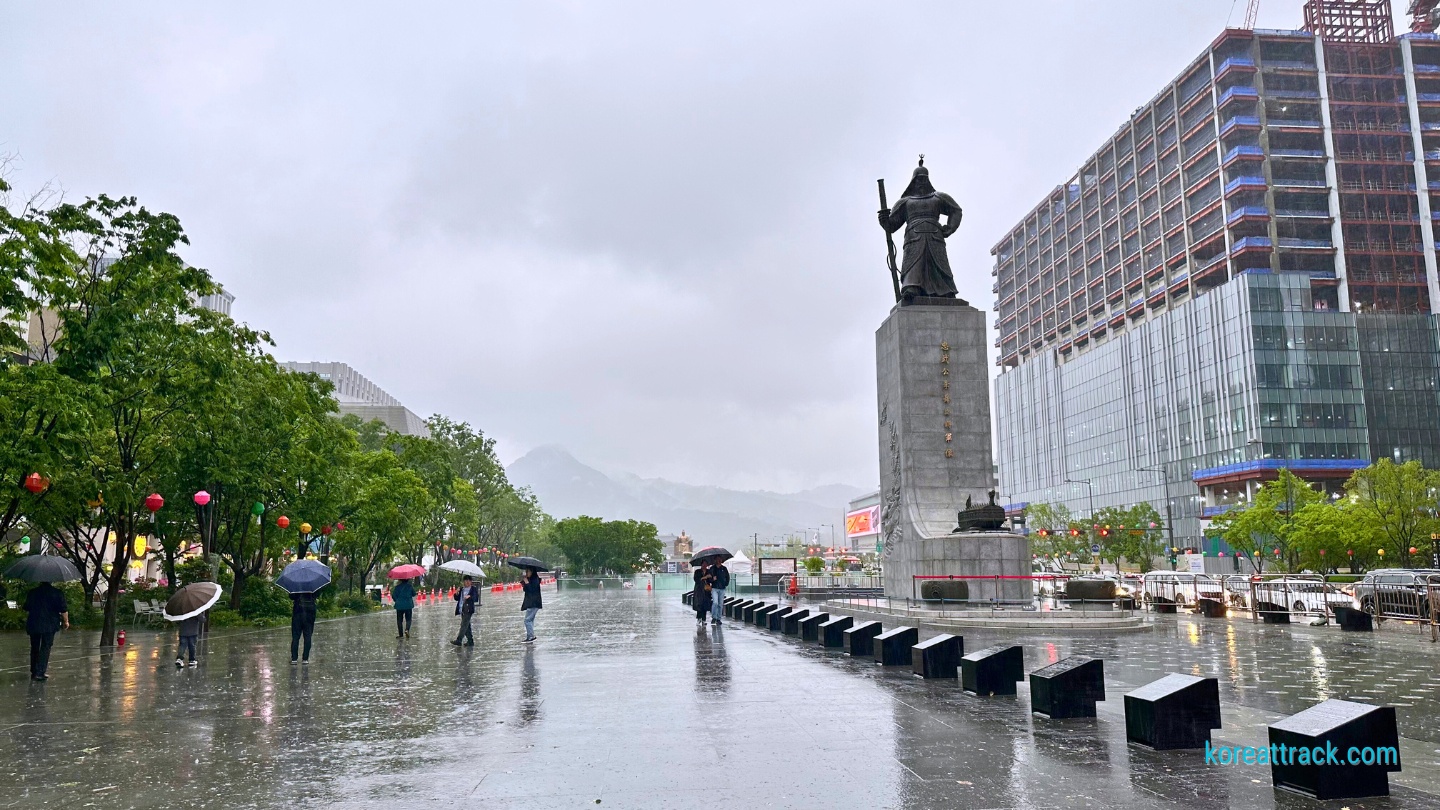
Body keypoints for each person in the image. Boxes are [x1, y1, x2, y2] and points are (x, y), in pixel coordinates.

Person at [24, 581, 69, 681]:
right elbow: (63, 609)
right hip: (50, 624)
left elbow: (26, 607)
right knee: (46, 647)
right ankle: (40, 672)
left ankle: (34, 671)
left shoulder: (32, 592)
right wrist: (66, 621)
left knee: (34, 647)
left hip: (34, 623)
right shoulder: (57, 593)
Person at [290, 591, 317, 664]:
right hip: (310, 613)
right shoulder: (313, 585)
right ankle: (305, 658)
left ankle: (294, 659)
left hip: (297, 613)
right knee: (308, 636)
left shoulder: (296, 584)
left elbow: (291, 596)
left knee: (295, 637)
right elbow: (317, 595)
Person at [452, 575, 479, 646]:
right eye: (465, 580)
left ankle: (459, 640)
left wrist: (470, 596)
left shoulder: (473, 589)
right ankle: (470, 641)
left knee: (463, 625)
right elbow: (457, 598)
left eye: (468, 580)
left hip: (468, 609)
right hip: (461, 609)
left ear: (471, 582)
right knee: (467, 626)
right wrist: (456, 593)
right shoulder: (461, 589)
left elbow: (476, 598)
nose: (467, 582)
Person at [521, 567, 542, 643]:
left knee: (527, 620)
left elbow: (532, 590)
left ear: (532, 572)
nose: (527, 573)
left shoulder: (535, 580)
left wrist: (527, 583)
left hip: (533, 602)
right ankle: (530, 636)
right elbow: (526, 590)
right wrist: (525, 583)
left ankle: (531, 636)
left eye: (528, 571)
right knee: (530, 620)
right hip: (532, 602)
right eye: (526, 571)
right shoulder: (532, 579)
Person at [709, 559, 730, 626]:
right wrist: (712, 579)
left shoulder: (724, 568)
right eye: (717, 559)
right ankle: (714, 617)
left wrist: (726, 584)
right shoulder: (712, 568)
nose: (718, 560)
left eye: (720, 559)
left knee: (720, 604)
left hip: (722, 588)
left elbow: (727, 577)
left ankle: (718, 619)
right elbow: (709, 578)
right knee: (715, 602)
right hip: (714, 588)